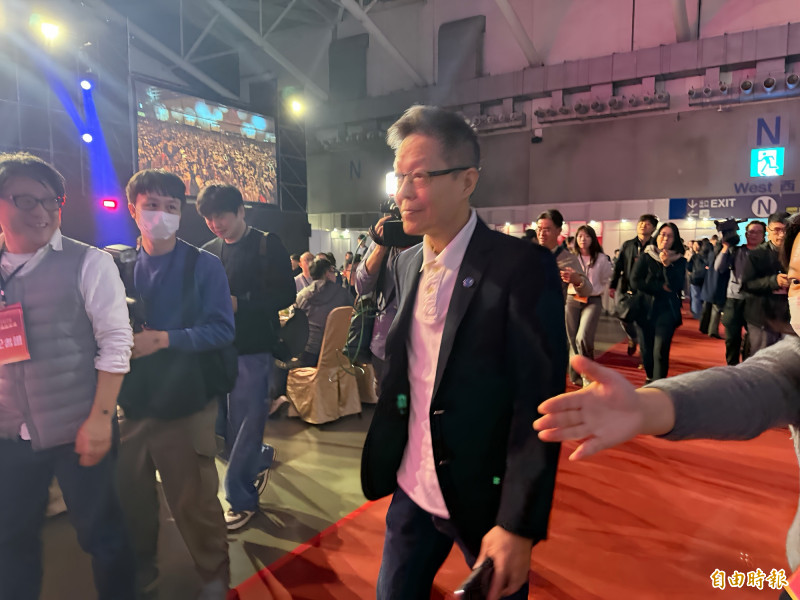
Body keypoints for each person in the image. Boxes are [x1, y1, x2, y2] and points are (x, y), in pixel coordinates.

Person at [361, 105, 567, 600]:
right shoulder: (406, 263)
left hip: (483, 495)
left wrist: (518, 523)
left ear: (467, 180)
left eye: (420, 176)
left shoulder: (521, 267)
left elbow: (537, 402)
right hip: (412, 486)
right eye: (398, 177)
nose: (403, 193)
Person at [533, 211, 800, 571]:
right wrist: (644, 407)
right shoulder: (795, 359)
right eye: (797, 281)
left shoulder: (675, 259)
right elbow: (748, 386)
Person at [0, 153, 136, 599]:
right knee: (11, 540)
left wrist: (100, 419)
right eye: (26, 200)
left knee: (103, 535)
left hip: (78, 426)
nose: (41, 211)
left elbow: (116, 343)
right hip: (9, 435)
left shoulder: (88, 262)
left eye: (50, 201)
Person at [116, 169, 235, 599]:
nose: (162, 214)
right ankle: (142, 571)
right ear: (133, 210)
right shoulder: (117, 266)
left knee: (194, 501)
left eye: (171, 206)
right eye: (151, 205)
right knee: (131, 499)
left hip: (187, 402)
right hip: (131, 403)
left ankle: (214, 575)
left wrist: (164, 339)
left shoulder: (203, 264)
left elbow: (222, 329)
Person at [197, 184, 296, 530]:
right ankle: (259, 456)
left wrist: (243, 303)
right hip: (216, 349)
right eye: (208, 218)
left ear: (241, 210)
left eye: (221, 215)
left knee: (245, 423)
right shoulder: (208, 251)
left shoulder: (267, 244)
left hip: (254, 348)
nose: (215, 224)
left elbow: (286, 294)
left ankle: (241, 498)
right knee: (222, 427)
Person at [630, 222, 687, 383]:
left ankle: (659, 384)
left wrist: (667, 266)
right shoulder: (646, 256)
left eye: (670, 236)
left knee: (660, 350)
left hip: (666, 309)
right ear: (657, 236)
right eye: (662, 234)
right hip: (644, 309)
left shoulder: (679, 260)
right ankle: (650, 378)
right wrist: (660, 287)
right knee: (646, 349)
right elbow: (635, 281)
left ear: (675, 240)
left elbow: (675, 286)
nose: (665, 238)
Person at [354, 216, 403, 391]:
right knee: (387, 400)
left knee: (411, 402)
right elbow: (361, 286)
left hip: (422, 345)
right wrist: (381, 245)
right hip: (384, 341)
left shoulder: (431, 235)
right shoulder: (385, 238)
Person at [565, 225, 613, 386]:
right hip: (573, 299)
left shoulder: (601, 258)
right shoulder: (571, 257)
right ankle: (575, 374)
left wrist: (593, 286)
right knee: (573, 339)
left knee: (583, 337)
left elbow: (606, 277)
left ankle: (587, 374)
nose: (583, 239)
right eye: (579, 236)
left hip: (593, 300)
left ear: (593, 239)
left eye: (587, 236)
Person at [742, 211, 791, 354]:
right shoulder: (756, 254)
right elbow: (747, 284)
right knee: (763, 358)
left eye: (785, 230)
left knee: (787, 359)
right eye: (777, 230)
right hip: (762, 318)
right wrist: (774, 281)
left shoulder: (795, 254)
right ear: (768, 231)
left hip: (789, 317)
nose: (781, 235)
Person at [717, 221, 765, 364]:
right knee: (732, 339)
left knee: (754, 340)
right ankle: (731, 368)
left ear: (764, 235)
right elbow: (719, 267)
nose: (754, 235)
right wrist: (725, 247)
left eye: (758, 232)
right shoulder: (736, 251)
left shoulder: (767, 254)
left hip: (756, 301)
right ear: (746, 234)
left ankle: (748, 367)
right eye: (751, 232)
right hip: (734, 300)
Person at [609, 214, 658, 356]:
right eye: (641, 223)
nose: (643, 226)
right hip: (628, 289)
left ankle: (645, 357)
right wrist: (613, 285)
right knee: (624, 318)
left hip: (647, 291)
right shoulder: (628, 245)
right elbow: (618, 266)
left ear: (653, 228)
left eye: (647, 224)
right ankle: (632, 337)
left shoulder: (655, 246)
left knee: (645, 325)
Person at [294, 257, 353, 367]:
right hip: (336, 355)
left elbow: (296, 325)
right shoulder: (344, 295)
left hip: (308, 355)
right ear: (327, 273)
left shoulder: (302, 296)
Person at [536, 209, 592, 299]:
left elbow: (587, 290)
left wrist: (577, 280)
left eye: (547, 230)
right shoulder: (528, 255)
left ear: (558, 231)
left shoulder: (568, 259)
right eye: (539, 229)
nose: (542, 234)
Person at [686, 240, 708, 320]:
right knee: (702, 297)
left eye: (696, 245)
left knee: (695, 296)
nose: (694, 246)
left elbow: (689, 267)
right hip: (705, 278)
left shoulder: (695, 256)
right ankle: (702, 313)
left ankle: (697, 315)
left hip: (695, 278)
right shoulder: (707, 255)